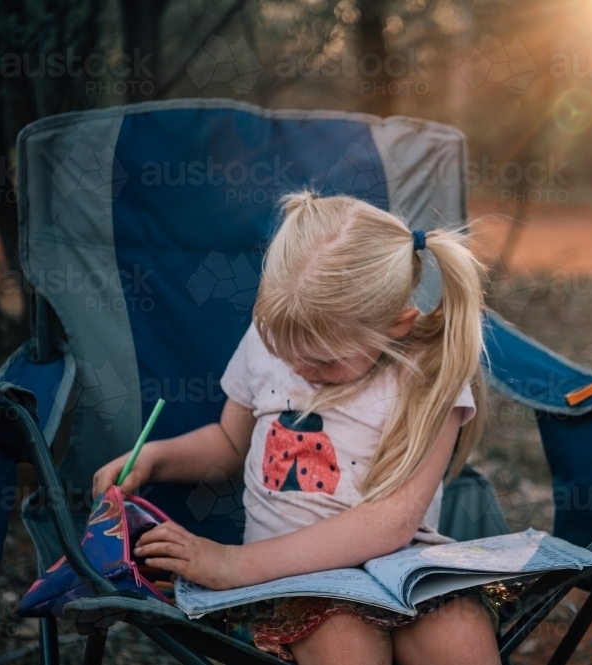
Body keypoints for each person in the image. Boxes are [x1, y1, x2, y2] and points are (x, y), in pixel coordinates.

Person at [93, 191, 502, 665]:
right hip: (288, 581)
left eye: (325, 360)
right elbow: (229, 443)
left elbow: (393, 520)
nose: (298, 367)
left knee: (458, 635)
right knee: (343, 643)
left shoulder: (431, 375)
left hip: (403, 569)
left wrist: (231, 564)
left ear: (396, 324)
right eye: (283, 347)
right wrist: (156, 458)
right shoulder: (271, 345)